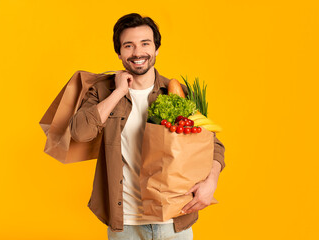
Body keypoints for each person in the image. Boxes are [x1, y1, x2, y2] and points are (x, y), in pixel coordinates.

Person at [69, 13, 225, 240]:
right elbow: (80, 132)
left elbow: (213, 144)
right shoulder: (103, 91)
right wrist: (119, 92)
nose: (137, 52)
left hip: (174, 220)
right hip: (126, 224)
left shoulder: (176, 92)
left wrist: (211, 181)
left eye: (145, 44)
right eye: (128, 45)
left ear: (156, 48)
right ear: (119, 52)